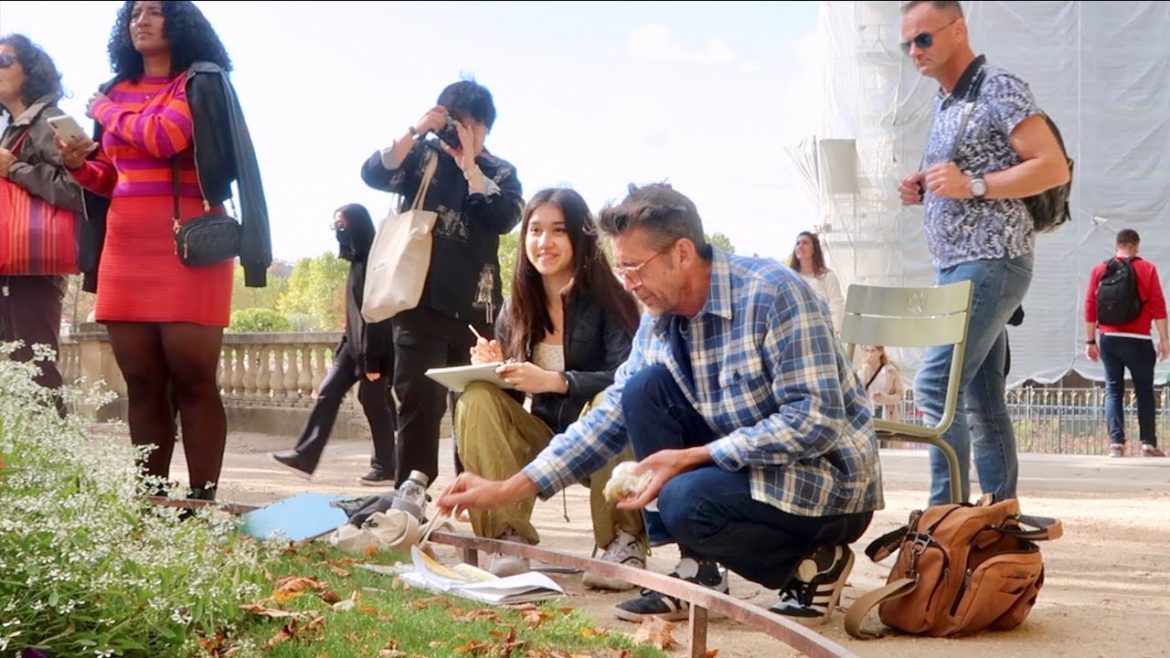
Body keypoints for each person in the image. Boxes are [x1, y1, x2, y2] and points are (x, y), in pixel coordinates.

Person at [439, 183, 882, 626]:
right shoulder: (659, 320)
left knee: (684, 501)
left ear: (683, 253)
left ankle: (816, 562)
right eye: (621, 267)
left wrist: (694, 457)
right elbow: (608, 416)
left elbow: (816, 421)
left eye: (634, 267)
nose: (627, 283)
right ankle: (698, 571)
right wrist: (508, 488)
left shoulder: (775, 294)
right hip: (745, 469)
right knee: (642, 390)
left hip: (825, 482)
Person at [58, 0, 271, 503]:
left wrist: (103, 111)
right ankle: (152, 498)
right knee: (143, 382)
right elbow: (112, 176)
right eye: (134, 14)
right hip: (126, 244)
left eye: (154, 11)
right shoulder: (118, 90)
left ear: (179, 22)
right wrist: (78, 165)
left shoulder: (198, 80)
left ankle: (200, 501)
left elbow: (164, 135)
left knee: (194, 380)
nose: (142, 21)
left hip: (189, 243)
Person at [897, 0, 1070, 504]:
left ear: (958, 30)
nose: (914, 51)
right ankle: (997, 519)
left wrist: (972, 185)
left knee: (936, 388)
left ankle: (945, 521)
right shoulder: (944, 101)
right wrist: (925, 187)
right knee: (981, 399)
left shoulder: (998, 86)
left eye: (923, 39)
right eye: (906, 43)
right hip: (957, 267)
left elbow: (1052, 166)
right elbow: (957, 178)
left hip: (992, 260)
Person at [456, 188, 647, 587]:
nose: (544, 242)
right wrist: (492, 369)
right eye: (535, 230)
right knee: (475, 397)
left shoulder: (610, 297)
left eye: (558, 231)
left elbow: (631, 374)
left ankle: (623, 540)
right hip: (543, 438)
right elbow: (507, 399)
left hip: (600, 438)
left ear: (580, 236)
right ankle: (505, 540)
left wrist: (557, 381)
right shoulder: (518, 305)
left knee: (613, 400)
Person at [361, 79, 523, 487]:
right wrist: (415, 130)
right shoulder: (421, 157)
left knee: (476, 402)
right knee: (417, 400)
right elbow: (373, 173)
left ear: (487, 128)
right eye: (456, 122)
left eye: (475, 125)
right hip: (419, 299)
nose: (463, 133)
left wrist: (471, 167)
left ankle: (472, 491)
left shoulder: (501, 171)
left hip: (477, 305)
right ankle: (411, 493)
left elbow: (504, 217)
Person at [271, 204, 398, 485]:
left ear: (356, 225)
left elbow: (376, 317)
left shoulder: (374, 263)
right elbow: (353, 318)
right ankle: (304, 457)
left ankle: (387, 466)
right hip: (352, 349)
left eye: (341, 225)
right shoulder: (357, 264)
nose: (338, 232)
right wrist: (341, 355)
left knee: (375, 403)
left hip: (372, 350)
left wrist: (372, 360)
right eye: (335, 226)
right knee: (328, 393)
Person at [0, 34, 84, 405]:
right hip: (12, 265)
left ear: (30, 72)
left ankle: (52, 462)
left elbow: (83, 190)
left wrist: (15, 168)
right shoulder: (14, 126)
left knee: (36, 374)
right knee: (16, 378)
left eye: (4, 61)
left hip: (33, 266)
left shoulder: (52, 121)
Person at [1083, 229, 1168, 458]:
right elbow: (1158, 305)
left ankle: (1116, 444)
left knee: (1113, 390)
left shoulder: (1100, 270)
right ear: (1136, 246)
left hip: (1109, 339)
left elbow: (1090, 306)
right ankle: (1148, 444)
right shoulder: (1147, 268)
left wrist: (1091, 340)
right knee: (1144, 391)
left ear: (1116, 246)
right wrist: (1164, 339)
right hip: (1139, 340)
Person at [787, 231, 844, 333]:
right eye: (797, 243)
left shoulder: (827, 276)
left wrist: (832, 333)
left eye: (805, 243)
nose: (800, 246)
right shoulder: (790, 278)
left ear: (814, 249)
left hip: (822, 333)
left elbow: (836, 305)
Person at [857, 345, 905, 421]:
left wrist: (886, 398)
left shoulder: (891, 371)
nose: (869, 354)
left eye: (873, 351)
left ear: (881, 352)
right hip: (866, 412)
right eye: (867, 350)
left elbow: (900, 395)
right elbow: (857, 390)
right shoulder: (862, 370)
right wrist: (865, 368)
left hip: (885, 413)